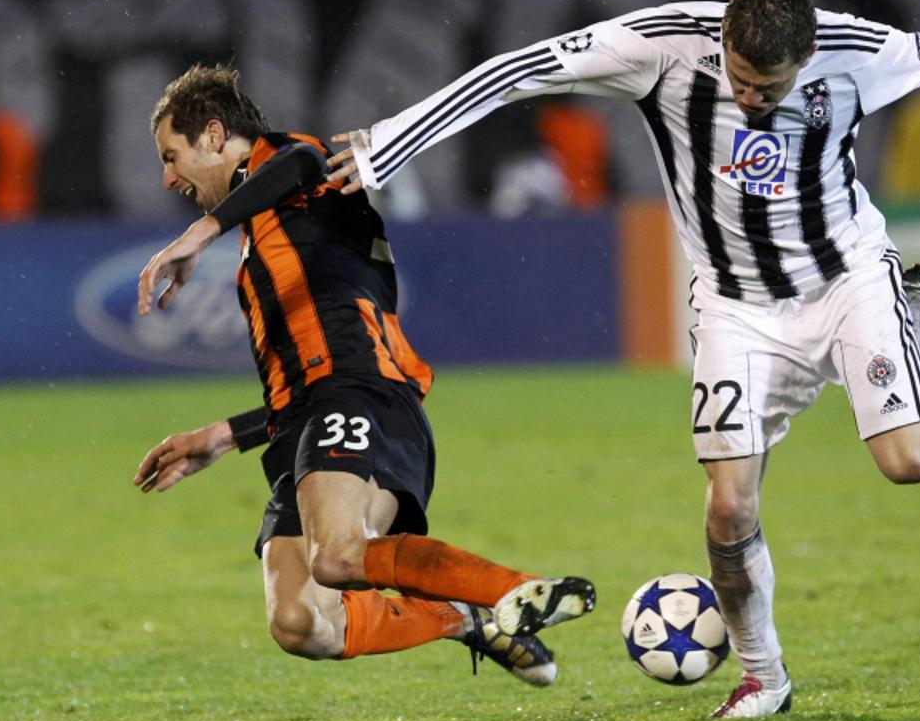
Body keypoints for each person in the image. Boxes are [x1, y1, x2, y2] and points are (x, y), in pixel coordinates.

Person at [318, 0, 920, 719]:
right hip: (734, 307)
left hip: (847, 279)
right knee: (728, 508)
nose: (749, 98)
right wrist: (389, 142)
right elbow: (521, 69)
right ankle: (763, 677)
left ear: (804, 60)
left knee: (911, 462)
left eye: (768, 88)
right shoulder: (661, 46)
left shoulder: (856, 52)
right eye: (740, 80)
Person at [132, 63, 595, 685]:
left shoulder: (298, 171)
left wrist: (203, 231)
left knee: (339, 556)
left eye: (172, 156)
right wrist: (225, 436)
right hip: (309, 416)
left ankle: (521, 591)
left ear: (214, 136)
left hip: (361, 394)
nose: (168, 177)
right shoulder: (264, 233)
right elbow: (301, 380)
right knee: (302, 624)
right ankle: (463, 617)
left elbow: (303, 162)